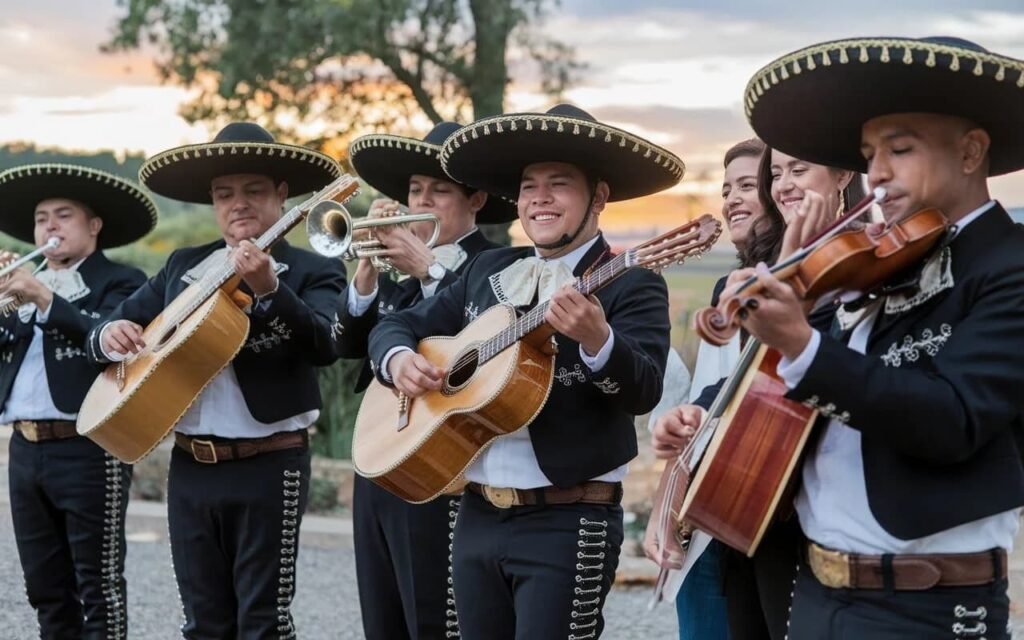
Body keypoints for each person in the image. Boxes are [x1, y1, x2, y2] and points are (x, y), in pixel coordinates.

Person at [738, 36, 1024, 638]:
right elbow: (805, 404)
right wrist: (708, 425)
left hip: (930, 605)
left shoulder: (1009, 266)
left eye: (899, 149)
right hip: (818, 590)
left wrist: (802, 345)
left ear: (971, 152)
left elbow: (954, 417)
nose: (877, 174)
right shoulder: (878, 261)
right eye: (869, 154)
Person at [369, 104, 678, 639]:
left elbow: (644, 388)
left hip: (568, 518)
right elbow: (397, 326)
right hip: (477, 515)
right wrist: (400, 361)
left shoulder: (634, 282)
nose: (540, 197)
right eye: (530, 185)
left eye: (559, 184)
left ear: (599, 197)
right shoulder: (487, 270)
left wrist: (597, 339)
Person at [86, 122, 347, 639]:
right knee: (201, 622)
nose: (238, 204)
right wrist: (108, 334)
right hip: (190, 463)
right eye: (225, 194)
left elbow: (324, 344)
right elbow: (111, 324)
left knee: (263, 622)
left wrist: (271, 289)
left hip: (271, 462)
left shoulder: (314, 270)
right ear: (212, 201)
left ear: (281, 195)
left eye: (253, 191)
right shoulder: (183, 263)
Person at [652, 140, 865, 640]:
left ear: (842, 177)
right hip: (760, 501)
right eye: (778, 174)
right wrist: (701, 412)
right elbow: (753, 378)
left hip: (822, 505)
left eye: (800, 169)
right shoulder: (763, 275)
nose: (785, 184)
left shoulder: (859, 261)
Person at [340, 121, 513, 639]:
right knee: (383, 619)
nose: (422, 200)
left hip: (440, 468)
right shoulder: (393, 270)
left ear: (475, 199)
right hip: (377, 463)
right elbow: (344, 346)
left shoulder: (495, 264)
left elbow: (487, 337)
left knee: (434, 621)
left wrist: (429, 268)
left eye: (439, 190)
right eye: (415, 189)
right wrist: (368, 271)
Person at [0, 163, 154, 639]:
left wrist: (44, 299)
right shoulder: (21, 281)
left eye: (63, 215)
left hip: (90, 447)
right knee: (44, 588)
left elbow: (108, 340)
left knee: (99, 587)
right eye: (42, 217)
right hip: (24, 449)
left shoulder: (123, 281)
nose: (49, 225)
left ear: (94, 226)